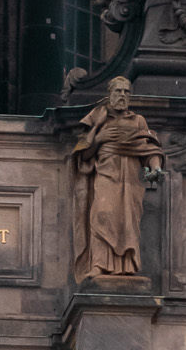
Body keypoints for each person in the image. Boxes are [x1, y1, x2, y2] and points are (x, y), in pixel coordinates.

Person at [70, 76, 164, 279]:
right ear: (109, 94)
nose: (122, 95)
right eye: (118, 91)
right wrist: (98, 140)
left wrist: (155, 167)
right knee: (101, 214)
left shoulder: (138, 121)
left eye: (126, 92)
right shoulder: (98, 117)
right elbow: (83, 155)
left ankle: (126, 267)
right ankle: (98, 264)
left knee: (127, 222)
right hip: (106, 174)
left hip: (130, 179)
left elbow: (150, 148)